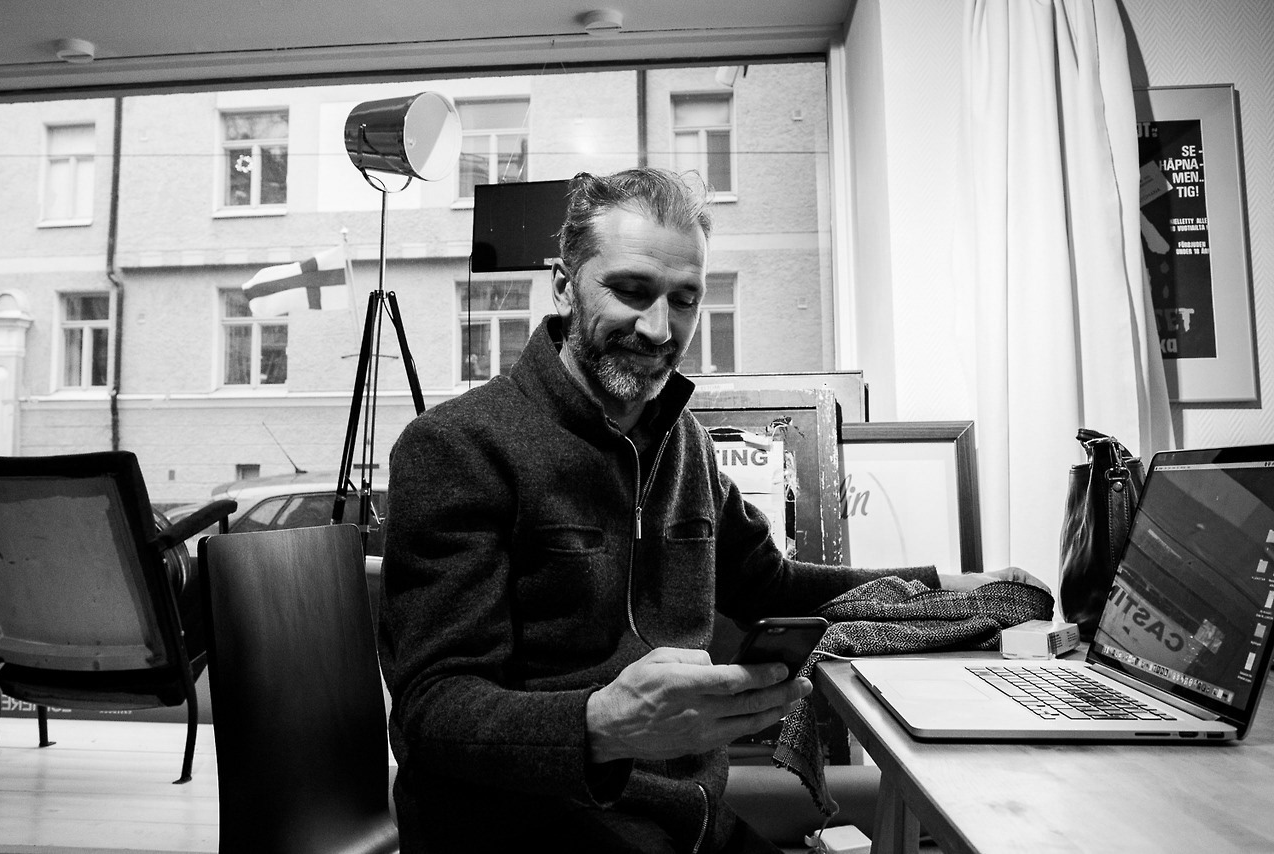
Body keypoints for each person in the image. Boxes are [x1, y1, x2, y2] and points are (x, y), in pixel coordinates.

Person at [377, 166, 1048, 853]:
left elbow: (772, 587)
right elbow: (431, 713)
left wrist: (953, 590)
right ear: (563, 284)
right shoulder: (457, 447)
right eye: (631, 291)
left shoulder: (684, 443)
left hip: (688, 823)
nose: (658, 328)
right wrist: (604, 723)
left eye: (685, 300)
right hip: (528, 832)